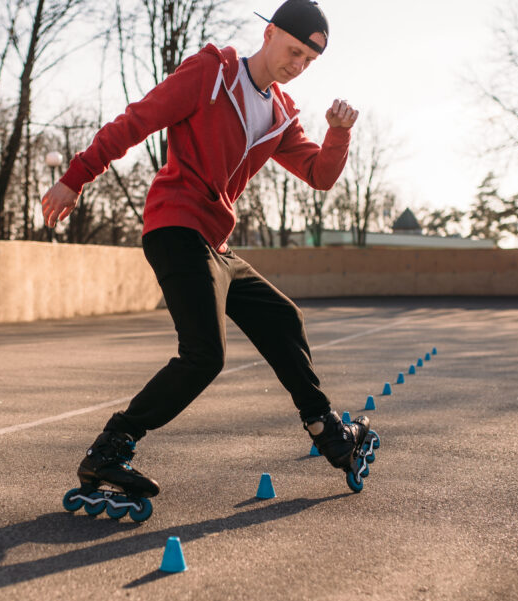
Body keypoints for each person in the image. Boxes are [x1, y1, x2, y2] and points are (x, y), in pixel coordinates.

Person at [41, 0, 370, 503]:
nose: (297, 65)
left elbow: (320, 176)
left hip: (214, 242)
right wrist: (75, 177)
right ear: (271, 32)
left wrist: (339, 134)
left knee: (282, 317)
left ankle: (326, 429)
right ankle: (110, 448)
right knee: (204, 356)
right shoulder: (211, 72)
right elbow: (137, 120)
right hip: (175, 224)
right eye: (294, 50)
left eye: (309, 61)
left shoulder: (282, 114)